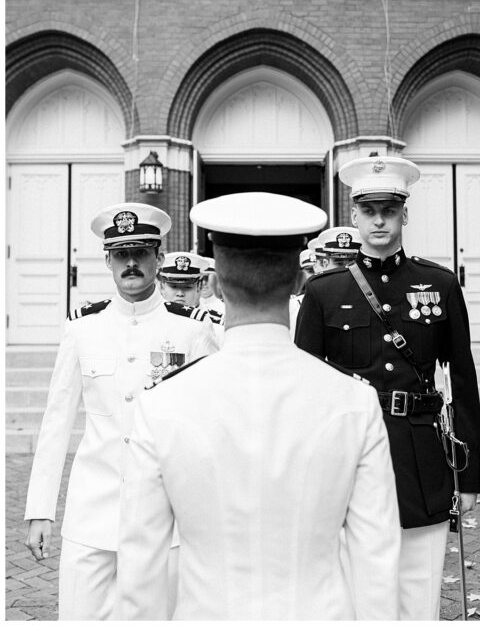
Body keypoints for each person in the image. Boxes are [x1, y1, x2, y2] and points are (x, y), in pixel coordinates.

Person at [114, 192, 400, 619]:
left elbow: (141, 565)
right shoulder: (354, 401)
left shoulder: (162, 404)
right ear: (300, 282)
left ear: (213, 284)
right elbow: (376, 556)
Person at [294, 156, 480, 621]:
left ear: (404, 214)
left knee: (419, 585)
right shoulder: (322, 291)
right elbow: (304, 389)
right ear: (355, 215)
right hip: (349, 452)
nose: (380, 220)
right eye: (370, 210)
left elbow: (462, 376)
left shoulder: (438, 284)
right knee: (356, 586)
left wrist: (470, 472)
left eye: (390, 210)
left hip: (420, 451)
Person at [22, 203, 219, 620]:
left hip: (166, 517)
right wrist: (40, 510)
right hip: (92, 513)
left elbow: (211, 425)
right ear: (108, 260)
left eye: (141, 252)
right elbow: (57, 421)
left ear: (159, 259)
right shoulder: (82, 328)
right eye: (121, 254)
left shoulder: (192, 329)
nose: (131, 263)